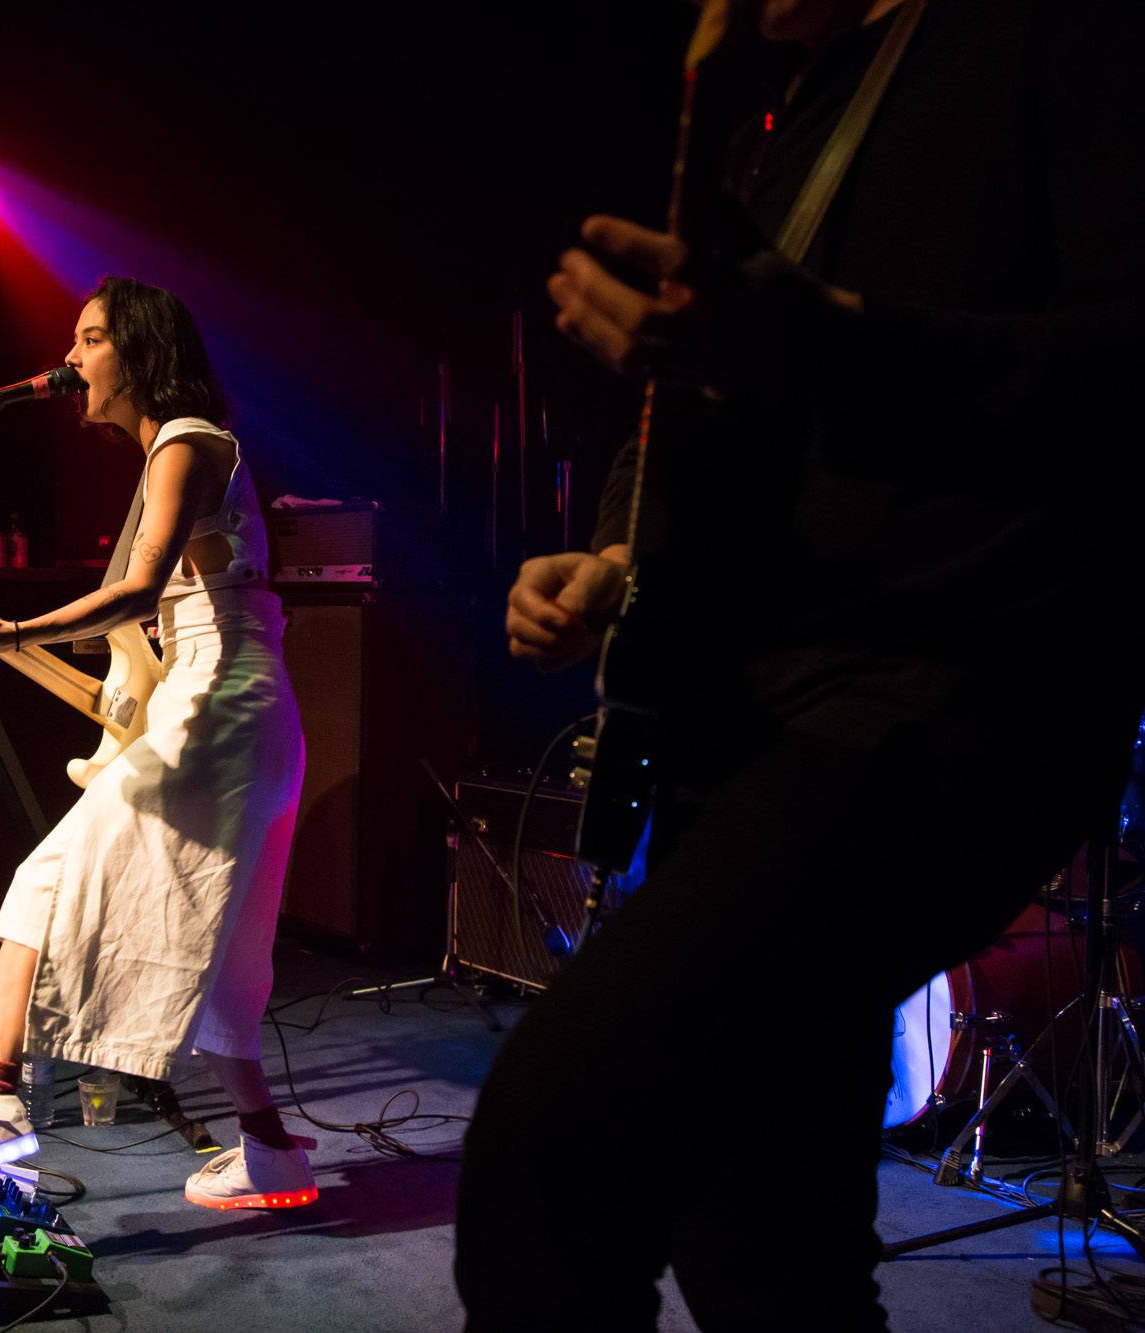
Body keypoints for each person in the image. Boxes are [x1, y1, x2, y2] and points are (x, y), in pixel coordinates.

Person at [458, 1, 1145, 1327]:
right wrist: (617, 559)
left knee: (552, 1153)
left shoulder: (1060, 35)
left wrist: (820, 333)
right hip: (759, 720)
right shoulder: (811, 112)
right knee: (764, 1242)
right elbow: (722, 409)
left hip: (943, 699)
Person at [0, 277, 313, 1210]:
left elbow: (137, 589)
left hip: (222, 705)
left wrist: (7, 635)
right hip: (235, 706)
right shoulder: (177, 450)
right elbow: (145, 616)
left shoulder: (185, 442)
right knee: (229, 954)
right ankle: (273, 1153)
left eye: (88, 339)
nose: (70, 359)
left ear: (141, 350)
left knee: (48, 876)